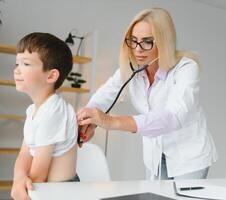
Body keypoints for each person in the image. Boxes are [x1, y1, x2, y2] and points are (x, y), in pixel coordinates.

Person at [77, 7, 218, 180]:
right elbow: (104, 96)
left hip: (188, 158)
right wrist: (88, 120)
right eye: (134, 41)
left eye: (147, 41)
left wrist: (111, 121)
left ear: (164, 42)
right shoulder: (131, 69)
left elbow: (172, 117)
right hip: (155, 156)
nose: (138, 49)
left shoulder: (186, 69)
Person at [11, 32, 79, 200]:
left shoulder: (53, 111)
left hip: (61, 193)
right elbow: (24, 154)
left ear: (51, 76)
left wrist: (22, 190)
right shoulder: (33, 110)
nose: (16, 70)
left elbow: (39, 176)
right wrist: (19, 178)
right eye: (17, 63)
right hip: (45, 190)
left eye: (25, 64)